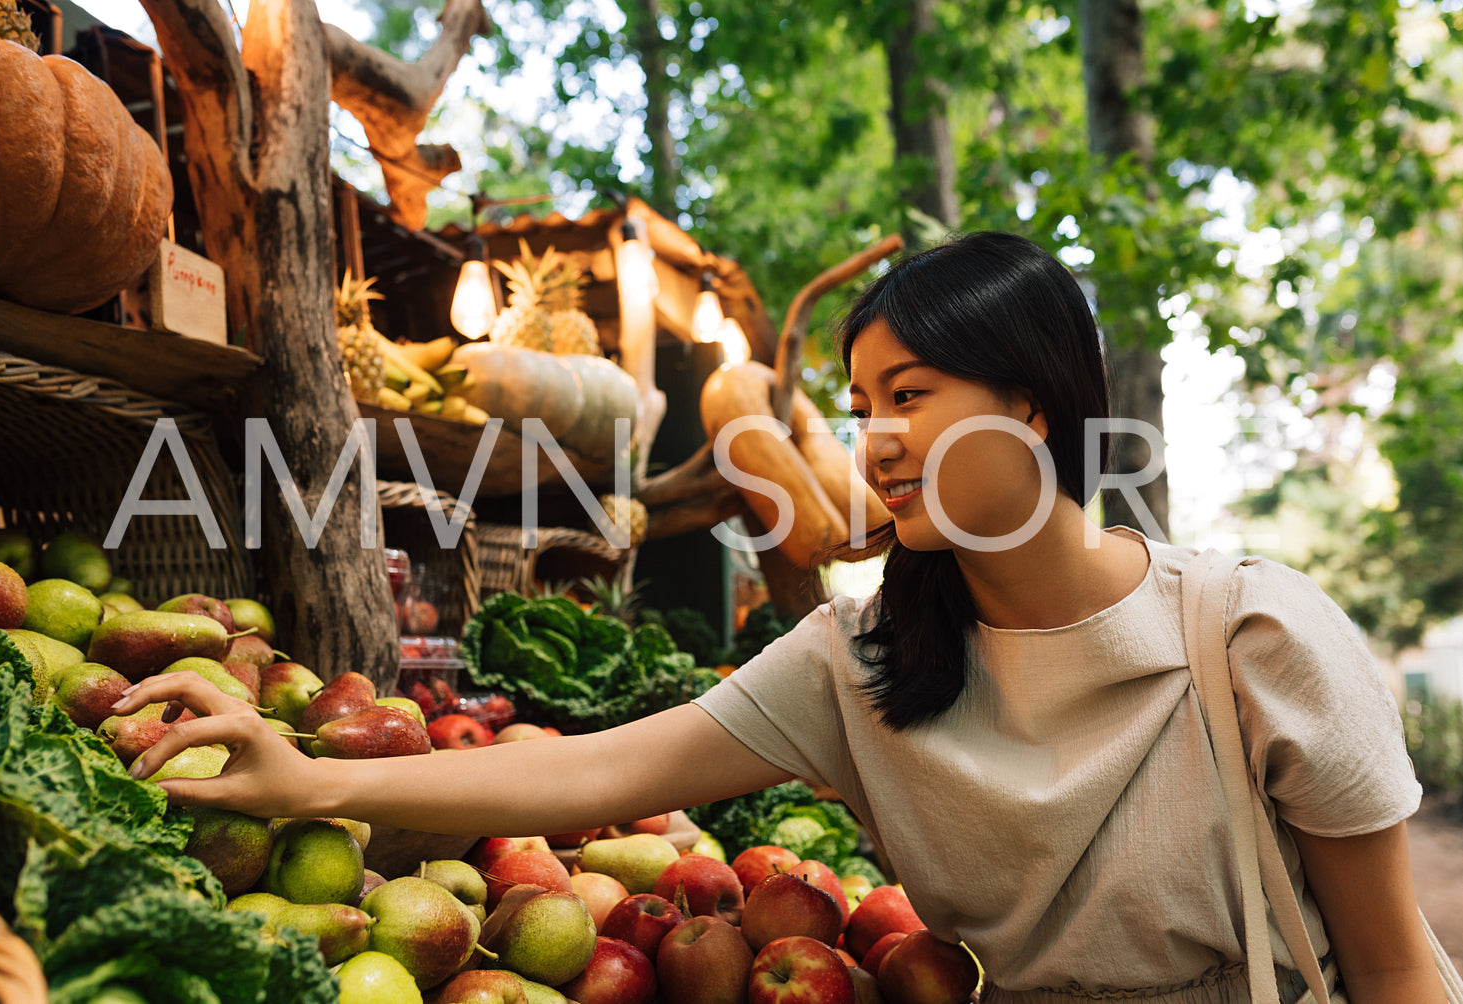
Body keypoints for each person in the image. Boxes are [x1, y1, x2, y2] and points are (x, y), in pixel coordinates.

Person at [112, 232, 1443, 1003]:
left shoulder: (1251, 638)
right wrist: (306, 777)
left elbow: (1396, 972)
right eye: (862, 406)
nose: (870, 443)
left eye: (908, 394)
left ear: (1033, 405)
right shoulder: (861, 664)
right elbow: (604, 766)